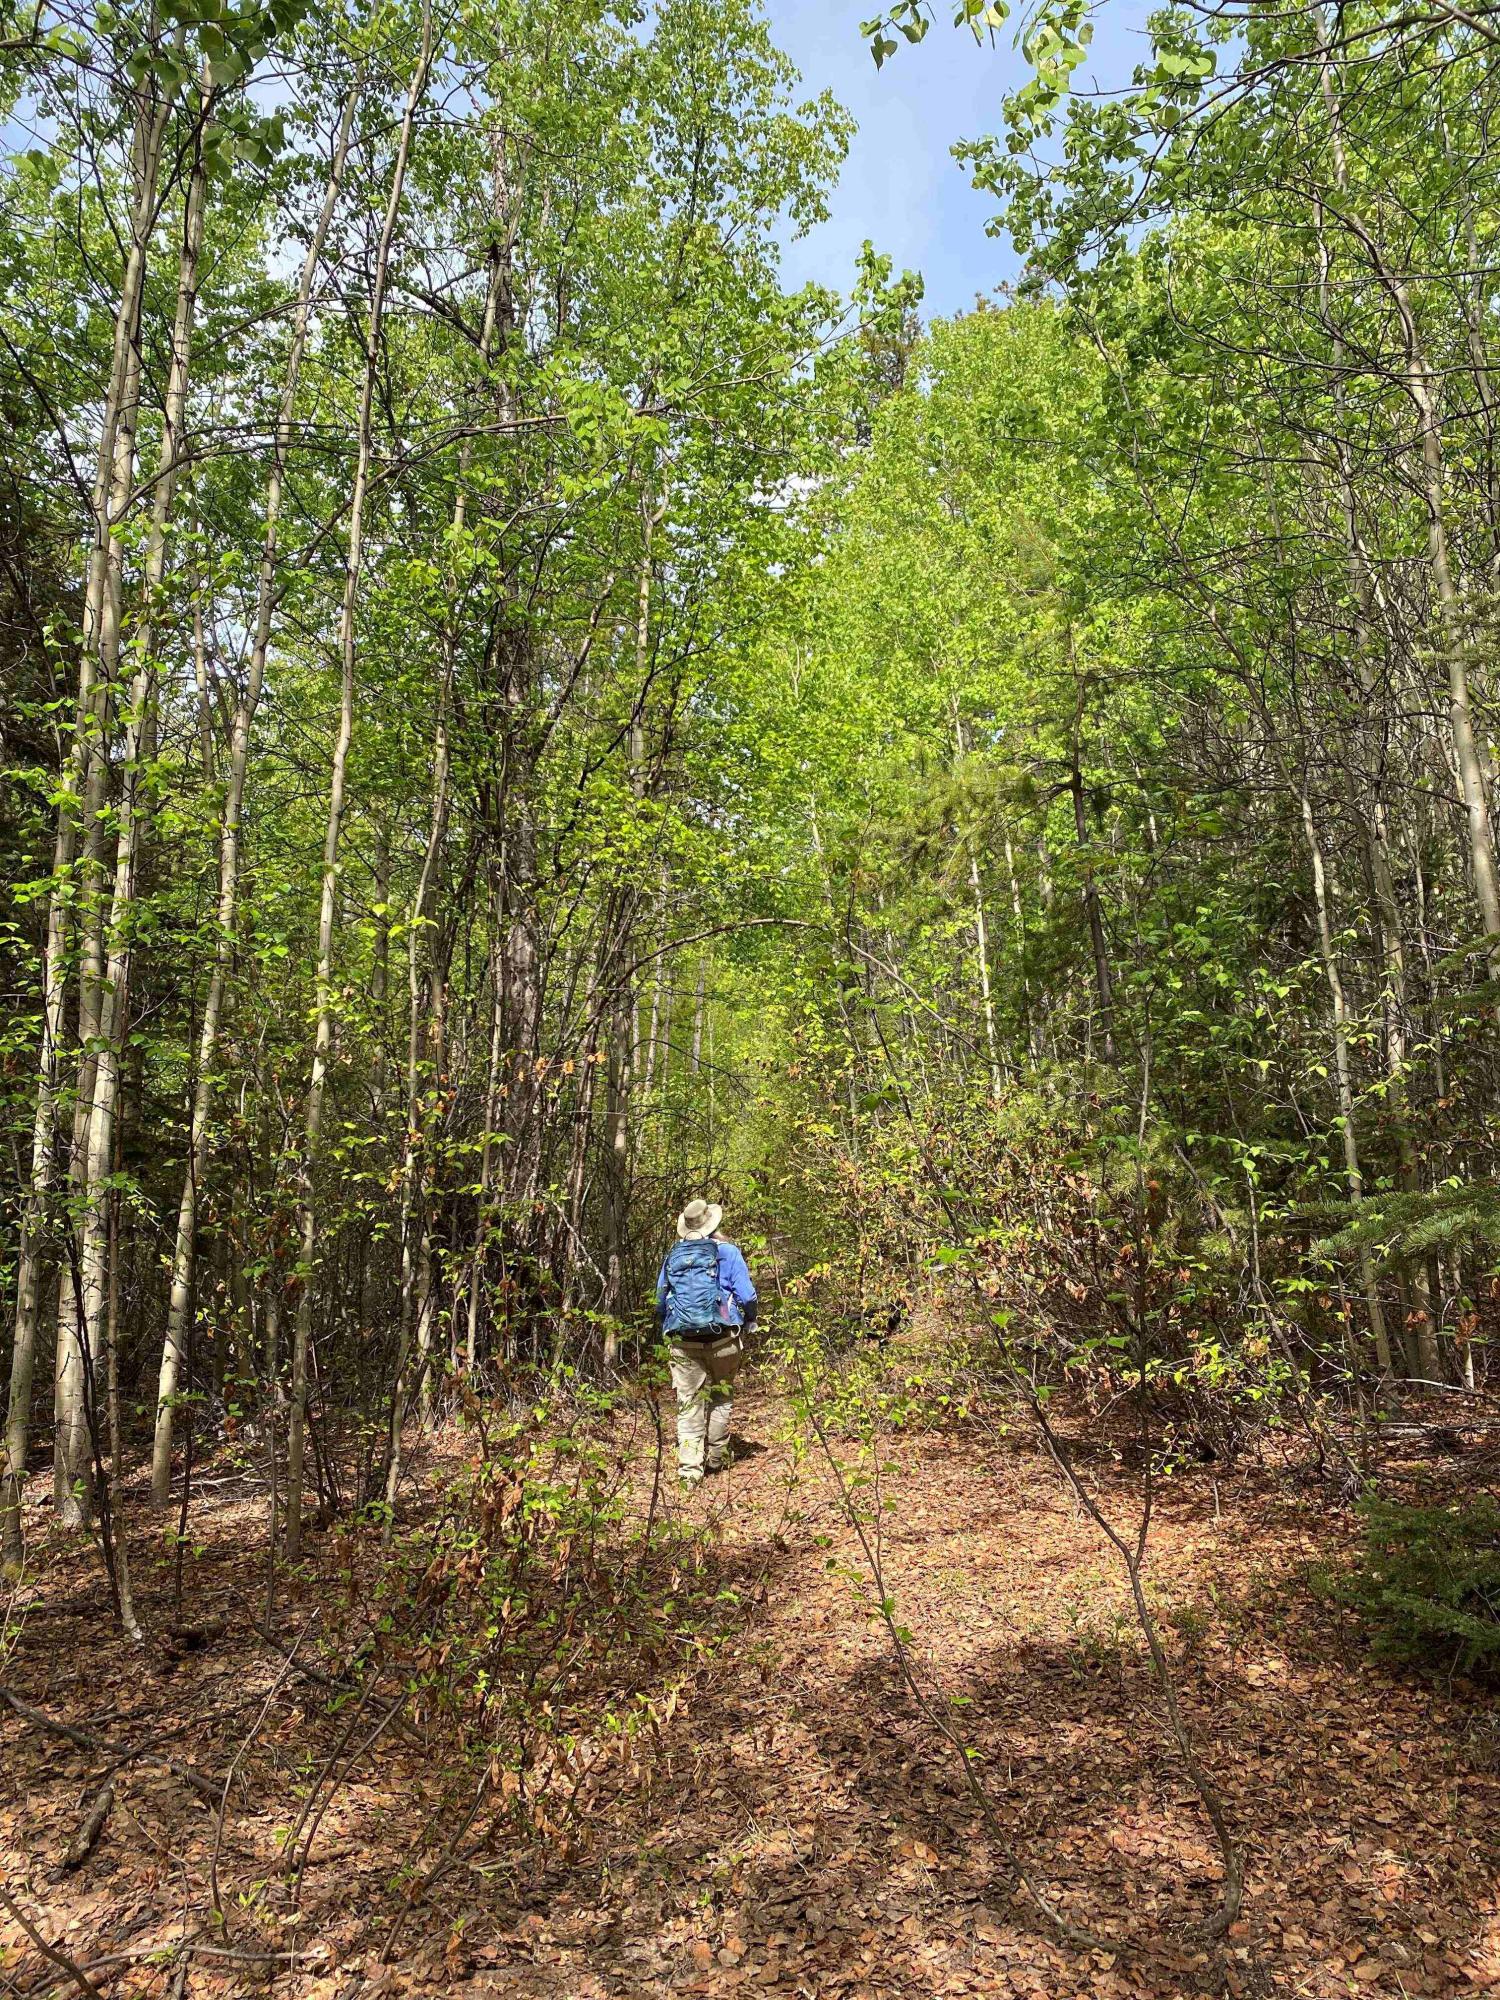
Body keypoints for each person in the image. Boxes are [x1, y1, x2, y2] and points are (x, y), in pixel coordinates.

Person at [656, 1198, 757, 1486]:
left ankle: (689, 1471)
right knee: (721, 1395)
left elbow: (659, 1300)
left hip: (683, 1341)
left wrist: (667, 1327)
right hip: (724, 1337)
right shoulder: (728, 1252)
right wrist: (750, 1319)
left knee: (689, 1403)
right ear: (713, 1223)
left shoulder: (673, 1255)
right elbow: (748, 1296)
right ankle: (716, 1458)